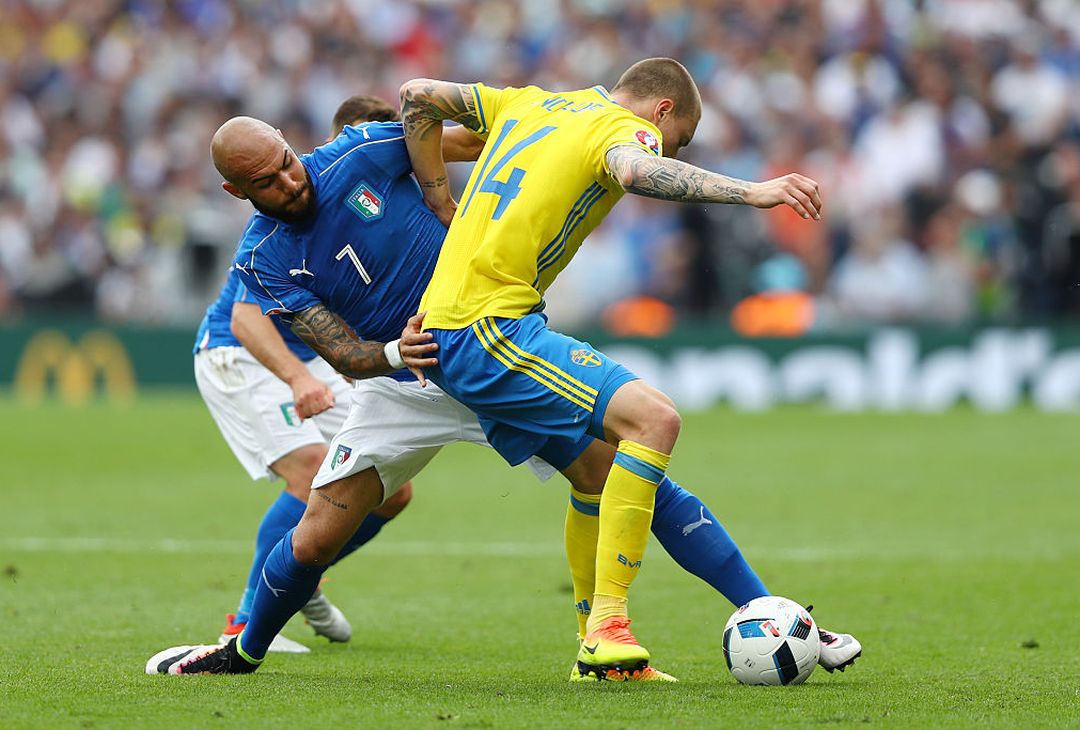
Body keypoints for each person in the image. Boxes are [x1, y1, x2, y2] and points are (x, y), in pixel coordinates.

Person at [147, 89, 859, 679]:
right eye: (266, 182)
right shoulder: (265, 259)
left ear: (285, 141)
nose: (289, 182)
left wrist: (444, 193)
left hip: (483, 343)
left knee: (616, 469)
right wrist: (394, 350)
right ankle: (242, 652)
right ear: (235, 191)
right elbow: (344, 355)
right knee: (315, 536)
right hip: (403, 376)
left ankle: (769, 613)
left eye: (285, 162)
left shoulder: (357, 151)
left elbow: (453, 133)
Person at [398, 57, 850, 678]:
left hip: (456, 324)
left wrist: (437, 194)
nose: (669, 148)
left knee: (601, 474)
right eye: (677, 138)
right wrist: (752, 191)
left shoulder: (530, 102)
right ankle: (607, 625)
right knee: (655, 420)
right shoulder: (619, 128)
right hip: (487, 328)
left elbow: (416, 95)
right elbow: (636, 170)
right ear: (662, 110)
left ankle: (618, 654)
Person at [192, 96, 417, 654]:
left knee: (390, 492)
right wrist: (298, 379)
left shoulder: (356, 195)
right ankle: (244, 621)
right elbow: (246, 320)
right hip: (242, 356)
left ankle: (297, 580)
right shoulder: (275, 231)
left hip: (310, 360)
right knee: (313, 473)